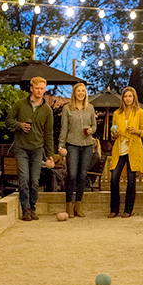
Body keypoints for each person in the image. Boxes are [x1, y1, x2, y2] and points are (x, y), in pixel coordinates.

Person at [5, 76, 54, 221]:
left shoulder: (47, 110)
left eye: (42, 88)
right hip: (21, 147)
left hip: (37, 148)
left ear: (45, 89)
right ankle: (25, 209)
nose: (39, 91)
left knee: (34, 180)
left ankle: (32, 207)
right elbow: (8, 120)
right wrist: (19, 125)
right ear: (31, 88)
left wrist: (49, 155)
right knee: (24, 179)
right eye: (37, 88)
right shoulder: (20, 104)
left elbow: (48, 134)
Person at [58, 83, 97, 218]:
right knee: (72, 175)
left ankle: (78, 206)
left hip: (87, 145)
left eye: (83, 91)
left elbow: (94, 126)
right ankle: (69, 204)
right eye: (78, 91)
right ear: (74, 93)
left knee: (82, 176)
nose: (81, 93)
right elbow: (64, 128)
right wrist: (61, 145)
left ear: (86, 93)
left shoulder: (90, 108)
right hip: (72, 145)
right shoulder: (67, 109)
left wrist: (92, 130)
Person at [109, 87, 143, 218]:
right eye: (125, 96)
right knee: (114, 178)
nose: (128, 99)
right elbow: (113, 134)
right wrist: (114, 134)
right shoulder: (117, 113)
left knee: (131, 180)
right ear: (122, 98)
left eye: (130, 96)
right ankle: (114, 209)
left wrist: (136, 131)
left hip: (134, 149)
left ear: (134, 97)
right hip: (119, 149)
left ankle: (128, 210)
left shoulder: (140, 112)